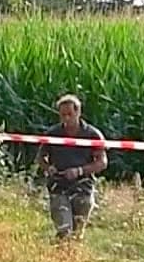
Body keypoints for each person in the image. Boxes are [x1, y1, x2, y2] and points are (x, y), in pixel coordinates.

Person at [40, 93, 107, 240]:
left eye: (70, 114)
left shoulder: (92, 134)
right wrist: (48, 167)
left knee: (77, 233)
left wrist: (80, 171)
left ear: (78, 112)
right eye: (63, 115)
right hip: (59, 186)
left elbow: (102, 162)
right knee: (64, 229)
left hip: (83, 187)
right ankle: (61, 257)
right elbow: (40, 157)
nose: (66, 118)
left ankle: (71, 258)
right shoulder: (53, 134)